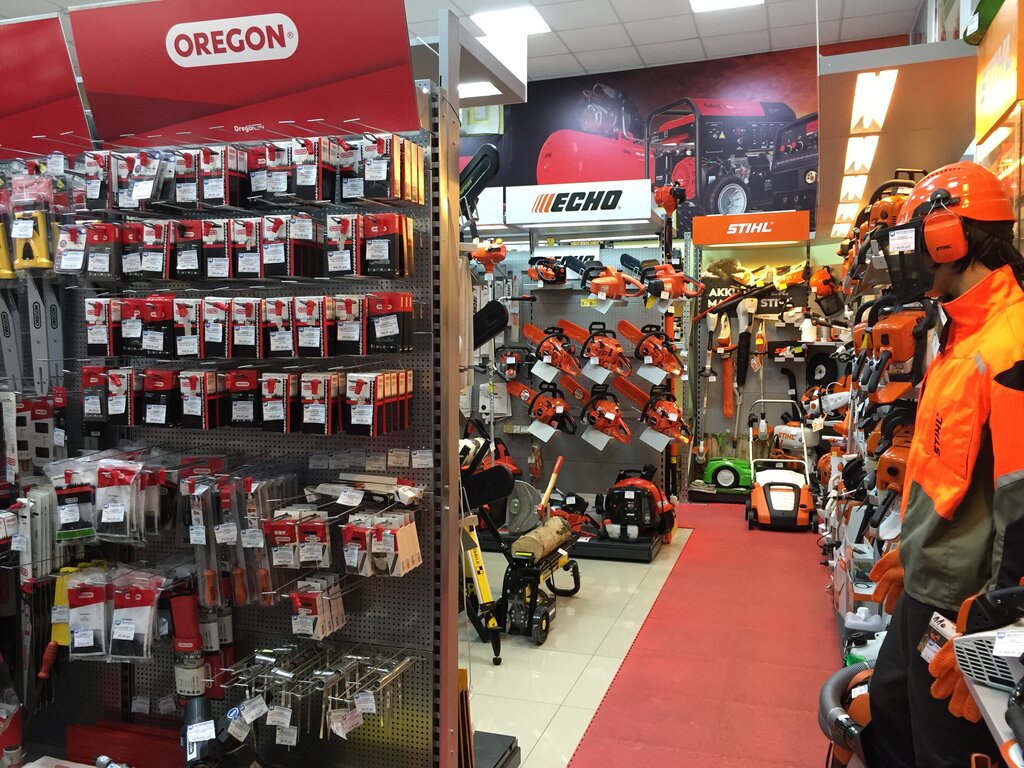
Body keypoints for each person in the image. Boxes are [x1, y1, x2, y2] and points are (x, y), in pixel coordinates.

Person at [864, 162, 1024, 768]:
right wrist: (915, 550)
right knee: (888, 718)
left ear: (949, 239)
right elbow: (942, 467)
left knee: (944, 753)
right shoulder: (958, 334)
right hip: (927, 588)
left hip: (967, 609)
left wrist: (998, 621)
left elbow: (1020, 499)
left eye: (912, 241)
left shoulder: (1010, 344)